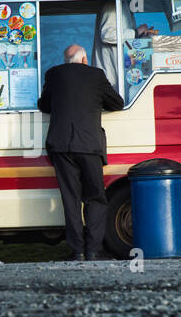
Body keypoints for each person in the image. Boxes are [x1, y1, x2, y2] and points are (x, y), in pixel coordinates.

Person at [37, 44, 124, 260]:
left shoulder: (53, 74)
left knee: (71, 199)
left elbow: (44, 105)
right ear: (84, 59)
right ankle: (94, 250)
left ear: (66, 61)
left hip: (61, 145)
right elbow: (118, 103)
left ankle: (77, 252)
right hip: (89, 146)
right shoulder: (96, 75)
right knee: (95, 197)